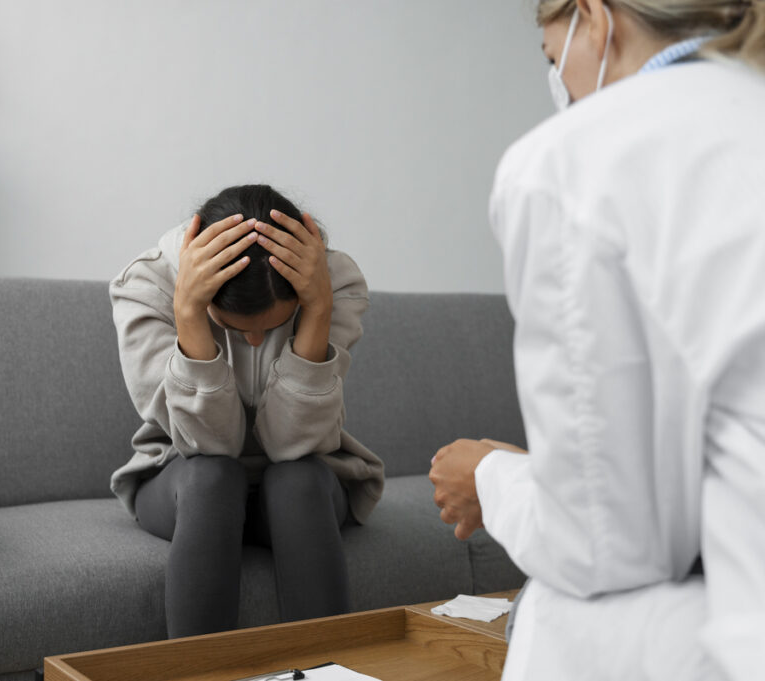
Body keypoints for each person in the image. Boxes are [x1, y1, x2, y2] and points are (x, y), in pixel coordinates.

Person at [428, 1, 765, 679]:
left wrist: (489, 476)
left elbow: (602, 542)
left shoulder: (570, 161)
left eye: (555, 61)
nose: (563, 88)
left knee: (557, 602)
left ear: (593, 18)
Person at [109, 184, 384, 638]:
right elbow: (210, 445)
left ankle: (326, 672)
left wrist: (316, 311)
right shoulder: (145, 287)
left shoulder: (333, 281)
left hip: (298, 481)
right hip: (184, 479)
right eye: (234, 329)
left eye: (274, 326)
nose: (254, 341)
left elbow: (291, 446)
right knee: (214, 477)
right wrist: (190, 316)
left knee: (298, 480)